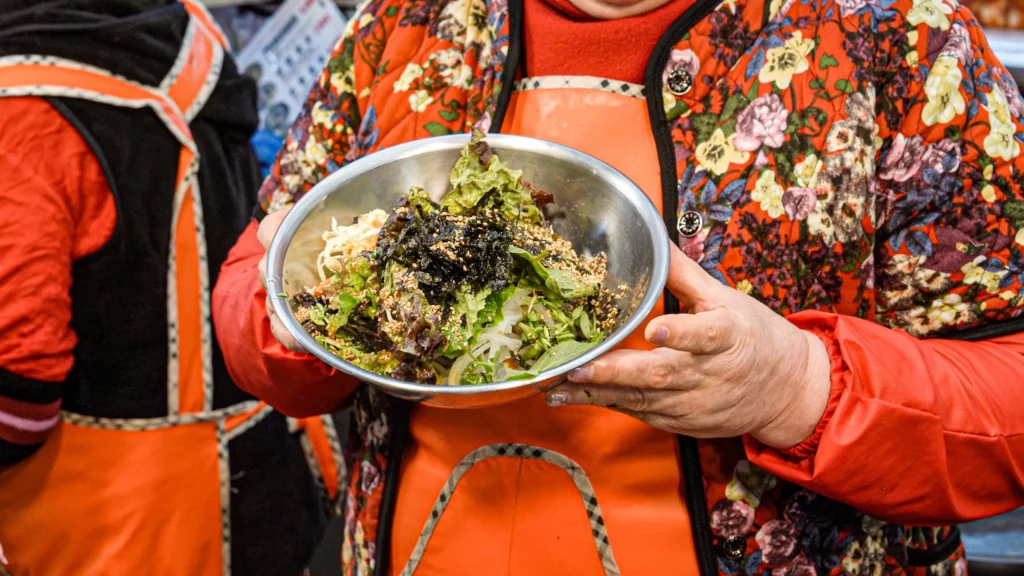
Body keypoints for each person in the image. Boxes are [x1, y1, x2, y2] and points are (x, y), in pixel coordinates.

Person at [213, 0, 1024, 573]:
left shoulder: (895, 35)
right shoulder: (408, 27)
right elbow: (262, 274)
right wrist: (296, 323)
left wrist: (801, 388)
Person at [0, 1, 344, 574]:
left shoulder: (21, 115)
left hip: (124, 530)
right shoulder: (175, 27)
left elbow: (17, 396)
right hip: (272, 474)